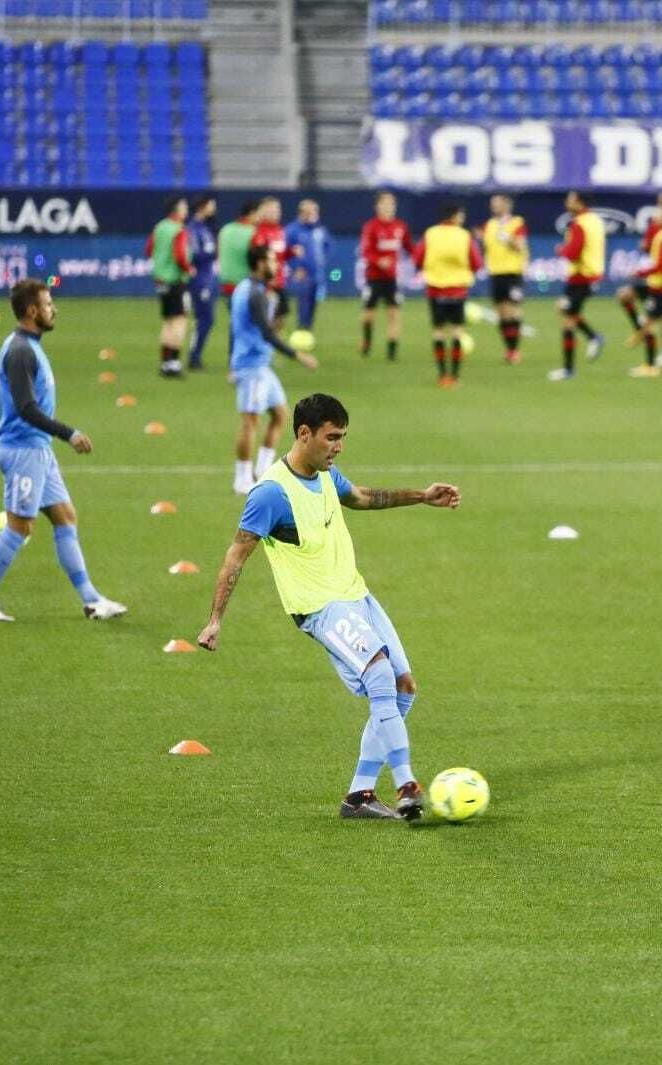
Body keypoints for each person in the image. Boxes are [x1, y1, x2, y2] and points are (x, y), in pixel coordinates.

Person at [195, 392, 463, 820]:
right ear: (304, 433)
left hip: (356, 595)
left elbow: (361, 497)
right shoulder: (270, 494)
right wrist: (214, 620)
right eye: (332, 437)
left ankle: (358, 795)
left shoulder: (324, 475)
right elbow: (236, 555)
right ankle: (408, 784)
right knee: (378, 674)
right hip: (320, 607)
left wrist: (422, 496)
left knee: (402, 689)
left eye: (342, 437)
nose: (339, 446)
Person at [0, 279, 126, 623]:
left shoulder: (28, 346)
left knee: (65, 516)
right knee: (19, 527)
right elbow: (25, 407)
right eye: (49, 304)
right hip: (23, 450)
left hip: (37, 449)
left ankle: (91, 600)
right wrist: (69, 433)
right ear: (32, 311)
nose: (55, 309)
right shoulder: (20, 350)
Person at [230, 245, 320, 495]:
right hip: (252, 365)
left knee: (280, 415)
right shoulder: (254, 294)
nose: (276, 265)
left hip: (260, 365)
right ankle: (242, 479)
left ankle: (262, 471)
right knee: (250, 420)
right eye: (271, 260)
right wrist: (298, 355)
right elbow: (267, 333)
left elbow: (235, 328)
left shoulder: (249, 290)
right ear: (259, 264)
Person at [413, 201, 484, 388]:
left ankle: (442, 375)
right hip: (457, 290)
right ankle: (455, 376)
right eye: (461, 215)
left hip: (435, 289)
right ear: (454, 216)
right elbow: (476, 263)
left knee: (438, 332)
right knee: (457, 332)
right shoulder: (464, 235)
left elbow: (417, 258)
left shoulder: (430, 234)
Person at [547, 189, 605, 382]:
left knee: (567, 322)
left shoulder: (579, 224)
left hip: (582, 277)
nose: (566, 203)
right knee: (565, 311)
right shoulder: (594, 220)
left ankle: (568, 370)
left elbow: (573, 252)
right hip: (589, 274)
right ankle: (593, 337)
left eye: (570, 200)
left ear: (579, 203)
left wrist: (561, 249)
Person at [623, 199, 662, 378]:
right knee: (628, 299)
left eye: (660, 213)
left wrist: (640, 272)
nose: (655, 215)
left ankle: (651, 366)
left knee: (650, 326)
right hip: (660, 285)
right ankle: (642, 338)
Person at [358, 190, 414, 361]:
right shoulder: (371, 227)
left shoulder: (400, 226)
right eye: (385, 203)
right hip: (374, 277)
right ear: (378, 206)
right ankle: (367, 341)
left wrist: (423, 257)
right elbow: (365, 251)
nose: (389, 207)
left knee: (394, 314)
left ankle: (392, 353)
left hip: (392, 278)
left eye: (392, 204)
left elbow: (410, 247)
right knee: (369, 315)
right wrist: (378, 261)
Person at [145, 195, 195, 378]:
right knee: (180, 321)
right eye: (184, 207)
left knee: (167, 322)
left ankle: (166, 362)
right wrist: (189, 269)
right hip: (175, 281)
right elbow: (180, 255)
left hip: (160, 281)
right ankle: (174, 363)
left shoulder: (159, 227)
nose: (186, 210)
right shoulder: (179, 230)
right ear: (177, 210)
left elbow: (148, 249)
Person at [480, 192, 528, 365]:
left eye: (497, 203)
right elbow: (486, 247)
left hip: (512, 273)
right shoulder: (489, 224)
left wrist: (508, 239)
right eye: (492, 203)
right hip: (495, 273)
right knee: (501, 314)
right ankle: (509, 349)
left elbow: (520, 246)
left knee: (511, 311)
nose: (493, 206)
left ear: (507, 204)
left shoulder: (517, 223)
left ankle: (514, 351)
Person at [250, 196, 297, 336]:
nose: (276, 212)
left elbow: (281, 255)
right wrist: (266, 280)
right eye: (272, 210)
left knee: (281, 316)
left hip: (280, 280)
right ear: (263, 212)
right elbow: (259, 258)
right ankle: (264, 346)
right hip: (268, 282)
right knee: (267, 317)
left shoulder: (280, 231)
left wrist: (292, 252)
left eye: (278, 209)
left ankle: (271, 345)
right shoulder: (259, 232)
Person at [284, 198, 331, 332]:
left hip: (316, 274)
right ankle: (301, 331)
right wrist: (295, 267)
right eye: (310, 211)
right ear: (301, 213)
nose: (313, 214)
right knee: (303, 304)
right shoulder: (292, 230)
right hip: (301, 275)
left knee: (313, 304)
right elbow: (285, 251)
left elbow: (328, 246)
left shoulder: (319, 230)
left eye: (315, 211)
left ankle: (308, 331)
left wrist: (322, 261)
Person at [185, 194, 217, 371]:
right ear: (202, 207)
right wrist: (211, 251)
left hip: (208, 278)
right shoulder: (193, 229)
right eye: (211, 205)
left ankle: (195, 355)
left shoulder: (204, 228)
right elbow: (195, 255)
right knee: (204, 319)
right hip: (199, 280)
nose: (214, 209)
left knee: (206, 319)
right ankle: (194, 357)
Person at [217, 200, 258, 310]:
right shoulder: (253, 232)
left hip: (226, 284)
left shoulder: (225, 229)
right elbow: (255, 260)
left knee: (235, 319)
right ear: (252, 213)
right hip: (245, 284)